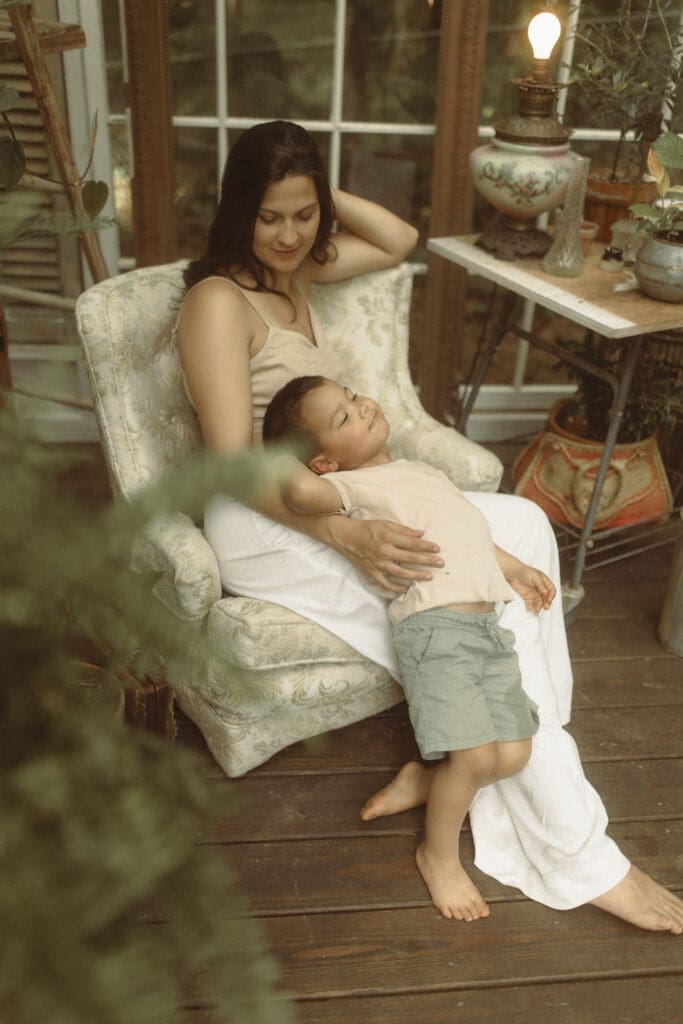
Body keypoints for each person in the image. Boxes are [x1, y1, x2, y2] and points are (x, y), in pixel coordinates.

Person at [176, 119, 683, 933]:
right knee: (485, 616)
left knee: (520, 525)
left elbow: (401, 237)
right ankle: (581, 852)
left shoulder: (301, 269)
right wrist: (342, 534)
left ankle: (459, 756)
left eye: (302, 215)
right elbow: (233, 461)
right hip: (270, 525)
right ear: (237, 210)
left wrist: (310, 180)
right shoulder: (215, 301)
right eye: (267, 215)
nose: (287, 233)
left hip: (336, 499)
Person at [263, 374, 556, 921]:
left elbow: (470, 533)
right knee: (474, 756)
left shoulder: (421, 472)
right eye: (343, 418)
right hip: (436, 630)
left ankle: (424, 780)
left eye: (352, 397)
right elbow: (295, 489)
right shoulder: (351, 488)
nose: (362, 407)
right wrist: (276, 451)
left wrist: (515, 569)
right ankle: (438, 854)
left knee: (513, 754)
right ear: (324, 462)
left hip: (487, 630)